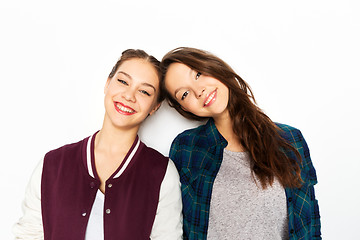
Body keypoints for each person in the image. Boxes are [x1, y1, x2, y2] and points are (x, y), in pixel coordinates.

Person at [13, 49, 183, 240]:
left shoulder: (161, 173)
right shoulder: (52, 165)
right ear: (107, 83)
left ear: (155, 106)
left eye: (144, 91)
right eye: (123, 81)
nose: (129, 95)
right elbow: (27, 235)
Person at [160, 47, 321, 240]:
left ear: (214, 66)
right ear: (183, 108)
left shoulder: (290, 140)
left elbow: (309, 228)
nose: (198, 91)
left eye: (198, 74)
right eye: (184, 94)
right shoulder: (186, 148)